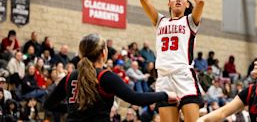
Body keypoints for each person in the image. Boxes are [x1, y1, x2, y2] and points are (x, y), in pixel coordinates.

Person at [43, 33, 178, 121]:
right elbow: (137, 98)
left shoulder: (70, 77)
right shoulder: (105, 76)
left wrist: (72, 110)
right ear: (103, 53)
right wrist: (165, 94)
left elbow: (48, 104)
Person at [140, 0, 205, 122]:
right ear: (168, 3)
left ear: (187, 4)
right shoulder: (160, 21)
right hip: (163, 77)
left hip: (184, 75)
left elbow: (201, 1)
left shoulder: (190, 21)